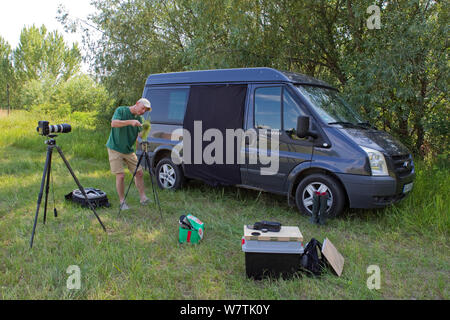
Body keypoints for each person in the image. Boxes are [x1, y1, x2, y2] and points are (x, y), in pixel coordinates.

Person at [106, 98, 152, 210]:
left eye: (145, 111)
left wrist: (145, 130)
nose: (143, 112)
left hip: (128, 150)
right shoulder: (121, 110)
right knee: (121, 176)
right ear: (136, 104)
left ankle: (143, 198)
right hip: (115, 148)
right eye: (142, 108)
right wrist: (130, 122)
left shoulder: (140, 119)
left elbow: (140, 136)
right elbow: (114, 123)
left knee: (139, 173)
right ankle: (122, 202)